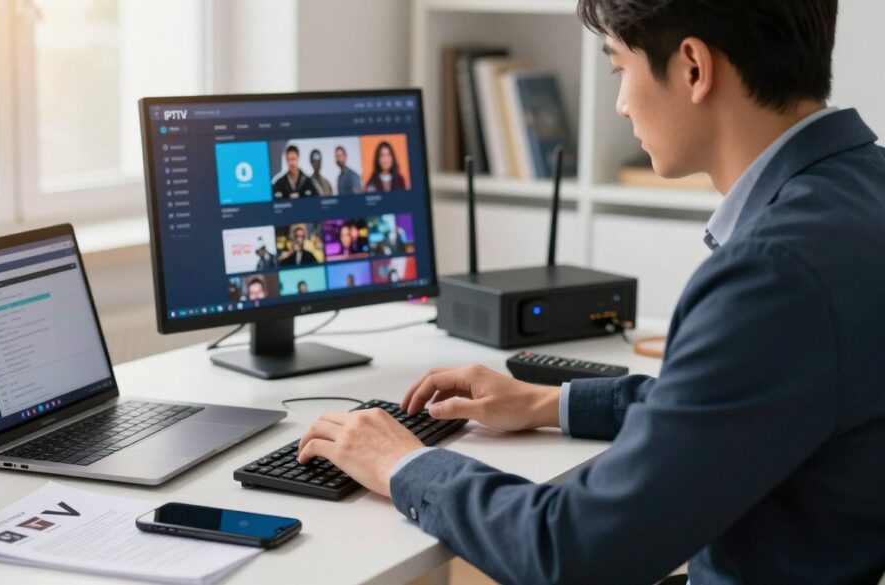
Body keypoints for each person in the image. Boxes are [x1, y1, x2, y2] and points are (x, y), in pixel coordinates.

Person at [297, 1, 885, 583]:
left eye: (618, 69)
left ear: (693, 69)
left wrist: (404, 464)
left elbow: (572, 551)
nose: (622, 104)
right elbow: (741, 403)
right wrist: (547, 403)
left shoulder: (772, 274)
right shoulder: (864, 190)